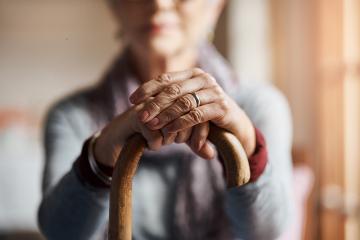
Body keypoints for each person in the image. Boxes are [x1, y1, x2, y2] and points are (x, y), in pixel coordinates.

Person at [38, 0, 294, 239]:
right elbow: (60, 233)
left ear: (215, 6)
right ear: (114, 5)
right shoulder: (71, 116)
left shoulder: (260, 106)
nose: (159, 3)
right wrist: (100, 155)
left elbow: (267, 233)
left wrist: (247, 145)